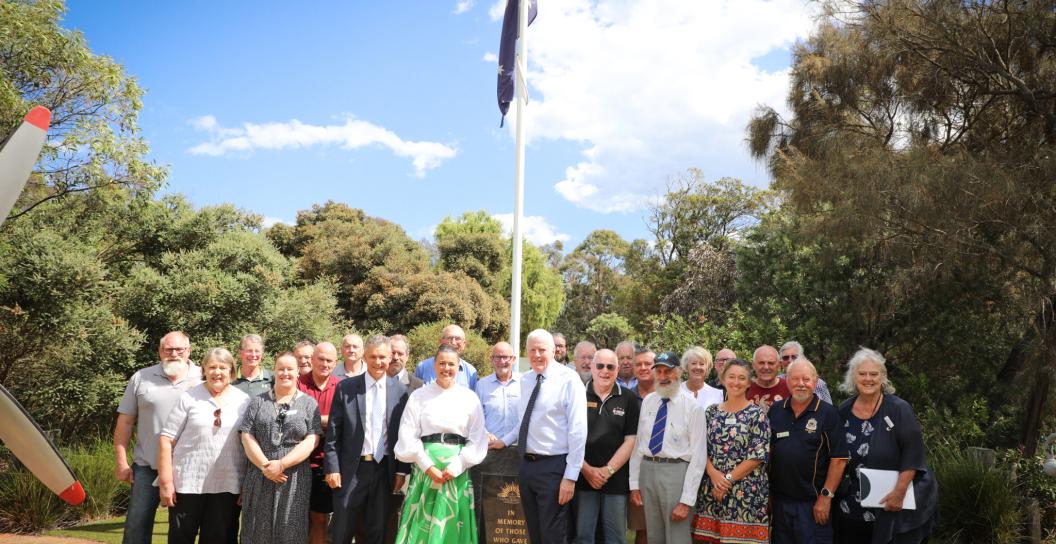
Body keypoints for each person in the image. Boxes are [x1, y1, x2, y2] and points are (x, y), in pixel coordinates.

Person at [833, 348, 938, 544]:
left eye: (874, 374)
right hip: (849, 508)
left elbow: (913, 455)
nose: (868, 379)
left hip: (887, 506)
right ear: (853, 377)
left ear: (883, 377)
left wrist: (899, 493)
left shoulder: (899, 409)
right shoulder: (844, 410)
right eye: (862, 373)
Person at [393, 345, 488, 542]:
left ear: (459, 366)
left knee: (453, 524)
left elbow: (477, 438)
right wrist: (427, 466)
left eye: (451, 364)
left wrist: (457, 466)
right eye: (442, 363)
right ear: (434, 365)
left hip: (457, 473)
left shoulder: (469, 398)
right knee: (421, 523)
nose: (446, 368)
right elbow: (408, 433)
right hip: (426, 469)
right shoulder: (419, 395)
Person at [114, 331, 202, 544]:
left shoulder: (203, 377)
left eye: (179, 349)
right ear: (160, 351)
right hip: (146, 467)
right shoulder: (141, 378)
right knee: (136, 527)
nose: (174, 354)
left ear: (188, 350)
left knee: (183, 530)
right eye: (168, 349)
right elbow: (124, 422)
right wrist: (121, 462)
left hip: (188, 468)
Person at [158, 347, 251, 544]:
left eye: (223, 367)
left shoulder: (243, 400)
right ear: (204, 370)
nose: (217, 372)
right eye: (212, 367)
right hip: (187, 484)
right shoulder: (189, 397)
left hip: (229, 484)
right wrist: (166, 482)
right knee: (180, 538)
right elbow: (167, 439)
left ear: (232, 371)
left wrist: (247, 484)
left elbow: (250, 444)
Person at [325, 335, 410, 544]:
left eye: (382, 357)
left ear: (390, 357)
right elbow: (334, 432)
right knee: (342, 530)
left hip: (384, 471)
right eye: (373, 357)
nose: (378, 362)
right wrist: (332, 468)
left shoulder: (400, 392)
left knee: (377, 531)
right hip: (351, 471)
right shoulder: (346, 388)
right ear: (365, 356)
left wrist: (401, 470)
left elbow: (403, 434)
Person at [240, 353, 324, 544]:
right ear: (274, 371)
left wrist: (282, 465)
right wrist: (266, 466)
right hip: (260, 472)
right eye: (281, 369)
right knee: (256, 527)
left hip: (294, 476)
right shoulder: (258, 402)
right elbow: (247, 436)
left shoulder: (309, 404)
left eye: (290, 369)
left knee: (290, 528)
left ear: (297, 373)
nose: (285, 373)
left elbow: (312, 439)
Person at [515, 329, 588, 544]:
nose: (537, 355)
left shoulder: (569, 379)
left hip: (555, 467)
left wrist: (570, 476)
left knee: (553, 535)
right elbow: (523, 421)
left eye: (542, 350)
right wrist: (502, 439)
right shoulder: (525, 380)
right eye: (532, 350)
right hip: (527, 466)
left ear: (554, 351)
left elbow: (578, 429)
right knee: (534, 533)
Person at [629, 352, 707, 544]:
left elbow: (698, 457)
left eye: (668, 371)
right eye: (659, 371)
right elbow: (639, 445)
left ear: (679, 372)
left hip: (676, 474)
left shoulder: (693, 407)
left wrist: (686, 500)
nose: (663, 377)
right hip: (648, 472)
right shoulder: (649, 401)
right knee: (653, 536)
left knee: (677, 537)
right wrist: (634, 484)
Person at [768, 359, 848, 544]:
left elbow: (839, 459)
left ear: (815, 380)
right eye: (795, 379)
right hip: (780, 503)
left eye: (806, 379)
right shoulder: (776, 411)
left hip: (813, 505)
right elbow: (769, 455)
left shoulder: (828, 413)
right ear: (786, 380)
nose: (801, 384)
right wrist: (769, 495)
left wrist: (826, 497)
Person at [691, 358, 770, 544]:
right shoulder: (710, 412)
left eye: (742, 378)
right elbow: (700, 447)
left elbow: (757, 455)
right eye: (731, 376)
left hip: (746, 491)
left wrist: (726, 480)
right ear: (723, 379)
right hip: (712, 488)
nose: (736, 382)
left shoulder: (757, 414)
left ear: (749, 382)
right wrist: (713, 475)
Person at [578, 349, 639, 544]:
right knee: (583, 535)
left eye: (610, 366)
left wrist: (607, 470)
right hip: (582, 478)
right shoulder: (577, 394)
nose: (605, 371)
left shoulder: (628, 398)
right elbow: (568, 439)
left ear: (617, 369)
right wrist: (587, 470)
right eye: (600, 366)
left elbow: (631, 440)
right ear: (592, 368)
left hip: (615, 479)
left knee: (616, 538)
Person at [472, 341, 522, 540]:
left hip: (517, 454)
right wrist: (485, 433)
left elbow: (525, 419)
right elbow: (475, 417)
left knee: (514, 506)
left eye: (506, 357)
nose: (502, 361)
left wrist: (507, 440)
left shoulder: (524, 383)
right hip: (489, 454)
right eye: (498, 357)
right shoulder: (482, 385)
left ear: (514, 359)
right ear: (492, 360)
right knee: (490, 504)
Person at [297, 342, 341, 544]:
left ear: (335, 363)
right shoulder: (298, 384)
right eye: (321, 359)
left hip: (325, 462)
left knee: (320, 518)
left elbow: (345, 424)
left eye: (329, 360)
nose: (324, 363)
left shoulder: (342, 387)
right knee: (293, 518)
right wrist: (328, 420)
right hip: (296, 462)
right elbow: (293, 420)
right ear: (312, 359)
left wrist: (314, 420)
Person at [414, 324, 479, 389]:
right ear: (440, 342)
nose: (453, 342)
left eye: (458, 339)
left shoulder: (470, 372)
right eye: (449, 338)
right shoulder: (423, 367)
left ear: (464, 344)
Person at [747, 345, 790, 410]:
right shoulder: (745, 389)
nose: (766, 367)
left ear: (779, 365)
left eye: (771, 363)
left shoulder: (790, 388)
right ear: (753, 365)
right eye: (761, 363)